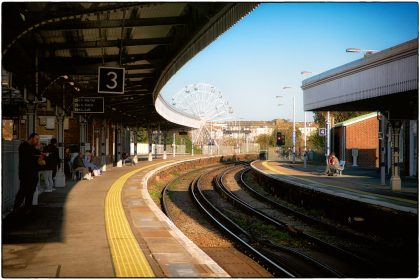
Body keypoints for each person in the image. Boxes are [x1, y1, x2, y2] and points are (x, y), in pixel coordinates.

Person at [14, 133, 41, 213]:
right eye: (36, 139)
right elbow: (30, 159)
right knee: (23, 191)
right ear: (31, 138)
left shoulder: (32, 148)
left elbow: (37, 156)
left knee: (30, 192)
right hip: (25, 173)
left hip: (33, 173)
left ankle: (28, 208)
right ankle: (16, 207)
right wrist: (37, 152)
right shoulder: (24, 146)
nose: (37, 141)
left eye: (37, 139)